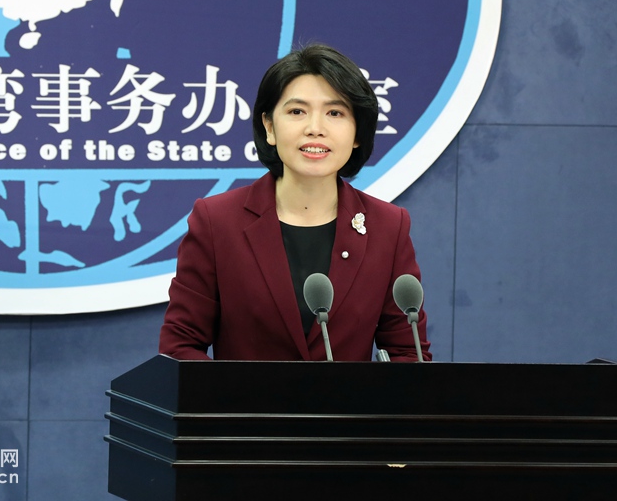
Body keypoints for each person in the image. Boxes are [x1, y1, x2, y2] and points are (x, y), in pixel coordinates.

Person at [158, 44, 432, 362]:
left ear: (358, 133)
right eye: (297, 112)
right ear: (269, 127)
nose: (315, 128)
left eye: (335, 113)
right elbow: (179, 348)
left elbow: (407, 352)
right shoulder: (217, 221)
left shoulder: (387, 227)